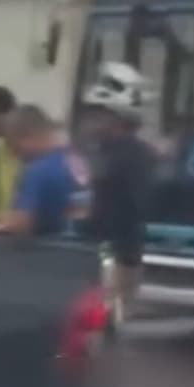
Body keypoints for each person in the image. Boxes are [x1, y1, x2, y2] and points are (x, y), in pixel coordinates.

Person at [76, 62, 156, 316]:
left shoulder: (131, 155)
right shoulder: (103, 152)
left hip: (116, 256)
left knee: (103, 322)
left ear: (117, 119)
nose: (91, 121)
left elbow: (133, 207)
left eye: (98, 115)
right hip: (99, 251)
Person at [0, 105, 77, 238]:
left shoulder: (39, 172)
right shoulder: (77, 160)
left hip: (51, 254)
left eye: (14, 147)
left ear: (27, 137)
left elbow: (22, 225)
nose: (14, 155)